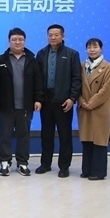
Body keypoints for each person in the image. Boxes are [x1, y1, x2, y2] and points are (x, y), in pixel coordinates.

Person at [0, 28, 43, 177]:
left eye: (20, 39)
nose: (17, 42)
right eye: (14, 39)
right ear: (9, 41)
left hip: (26, 106)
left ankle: (22, 163)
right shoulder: (0, 60)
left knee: (24, 135)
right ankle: (5, 162)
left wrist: (38, 99)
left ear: (24, 41)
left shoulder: (32, 60)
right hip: (5, 106)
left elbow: (38, 82)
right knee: (5, 135)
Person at [35, 24, 82, 178]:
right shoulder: (41, 54)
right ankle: (45, 164)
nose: (53, 37)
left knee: (65, 135)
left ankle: (64, 166)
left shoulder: (72, 54)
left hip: (64, 102)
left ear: (63, 36)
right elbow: (38, 78)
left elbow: (76, 78)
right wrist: (38, 98)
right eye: (50, 35)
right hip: (46, 101)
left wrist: (72, 98)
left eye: (56, 35)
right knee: (46, 135)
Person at [77, 38, 110, 180]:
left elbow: (106, 89)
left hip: (99, 108)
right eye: (89, 47)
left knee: (99, 140)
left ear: (101, 48)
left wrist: (91, 103)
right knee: (87, 140)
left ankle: (98, 172)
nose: (92, 50)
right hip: (84, 108)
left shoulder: (107, 67)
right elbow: (76, 86)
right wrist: (81, 101)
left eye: (95, 47)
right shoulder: (82, 66)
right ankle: (86, 170)